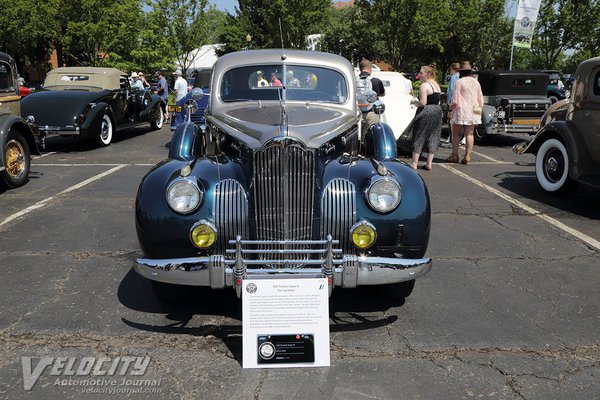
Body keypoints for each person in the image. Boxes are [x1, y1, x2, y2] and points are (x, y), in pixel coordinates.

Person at [446, 61, 484, 165]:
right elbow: (480, 98)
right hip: (472, 111)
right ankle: (467, 155)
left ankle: (455, 155)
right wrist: (480, 108)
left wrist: (450, 109)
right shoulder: (476, 82)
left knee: (456, 134)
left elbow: (456, 98)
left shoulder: (460, 82)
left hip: (460, 110)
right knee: (469, 134)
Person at [409, 65, 442, 170]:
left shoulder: (425, 85)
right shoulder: (436, 85)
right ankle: (429, 163)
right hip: (437, 111)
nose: (419, 75)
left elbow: (423, 103)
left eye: (421, 73)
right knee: (433, 136)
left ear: (427, 74)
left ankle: (414, 163)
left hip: (426, 111)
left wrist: (414, 102)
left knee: (419, 135)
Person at [358, 59, 385, 135]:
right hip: (371, 114)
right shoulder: (376, 81)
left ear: (360, 68)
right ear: (370, 68)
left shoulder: (353, 80)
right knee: (371, 136)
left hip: (356, 114)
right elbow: (382, 94)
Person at [442, 62, 461, 145]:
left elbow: (451, 91)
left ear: (452, 69)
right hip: (460, 102)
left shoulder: (453, 78)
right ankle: (458, 139)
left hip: (453, 102)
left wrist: (449, 103)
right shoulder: (462, 77)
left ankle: (451, 139)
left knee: (451, 121)